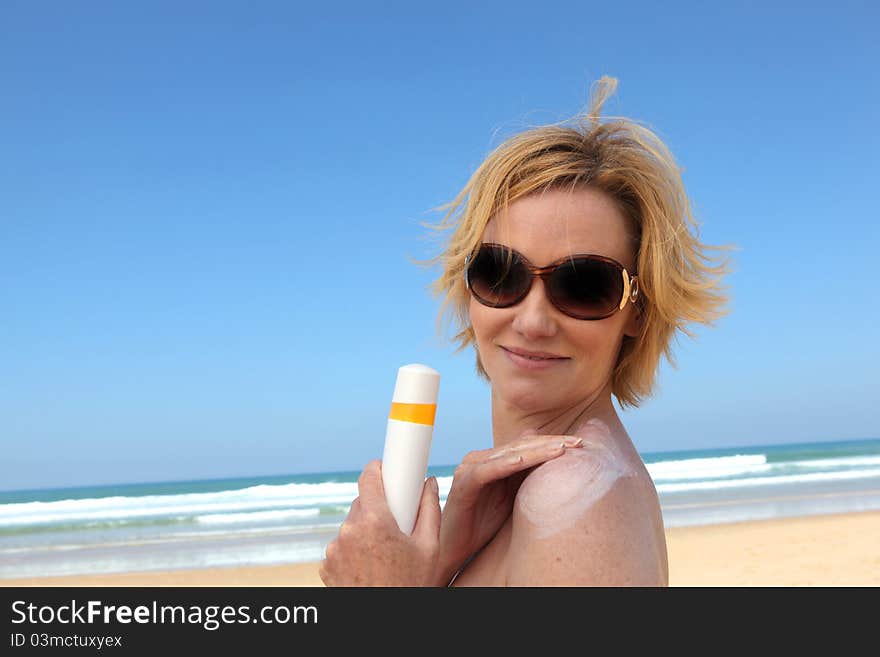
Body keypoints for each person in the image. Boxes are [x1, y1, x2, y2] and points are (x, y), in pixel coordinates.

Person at [319, 76, 731, 587]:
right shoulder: (543, 493)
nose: (533, 321)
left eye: (585, 285)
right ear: (466, 287)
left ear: (638, 313)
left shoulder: (572, 494)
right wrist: (444, 561)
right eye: (500, 273)